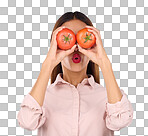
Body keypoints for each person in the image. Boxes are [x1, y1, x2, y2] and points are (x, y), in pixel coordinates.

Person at [17, 11, 133, 136]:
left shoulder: (108, 97)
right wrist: (48, 64)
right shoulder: (42, 98)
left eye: (83, 39)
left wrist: (104, 63)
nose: (76, 48)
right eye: (68, 39)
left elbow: (121, 121)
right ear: (55, 46)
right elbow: (27, 122)